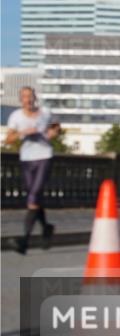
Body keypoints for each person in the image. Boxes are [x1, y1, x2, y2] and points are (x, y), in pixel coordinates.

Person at [5, 87, 60, 254]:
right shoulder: (15, 116)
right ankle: (46, 227)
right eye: (24, 97)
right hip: (26, 158)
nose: (28, 100)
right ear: (20, 99)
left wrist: (53, 133)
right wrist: (23, 133)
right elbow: (8, 139)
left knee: (33, 196)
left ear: (35, 98)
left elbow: (57, 127)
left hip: (44, 156)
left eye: (30, 96)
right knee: (34, 197)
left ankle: (24, 241)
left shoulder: (45, 112)